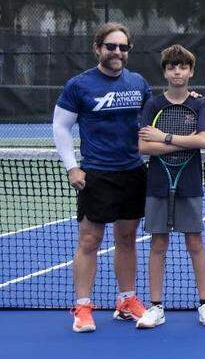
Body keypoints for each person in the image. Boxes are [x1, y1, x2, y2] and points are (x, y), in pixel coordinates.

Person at [53, 22, 151, 332]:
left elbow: (155, 115)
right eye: (111, 46)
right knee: (89, 240)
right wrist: (72, 166)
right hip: (96, 174)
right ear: (98, 48)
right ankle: (82, 308)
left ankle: (126, 301)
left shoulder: (138, 83)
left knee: (126, 239)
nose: (117, 52)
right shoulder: (79, 85)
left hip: (133, 172)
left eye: (123, 47)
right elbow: (60, 126)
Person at [134, 45, 205, 328]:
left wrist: (165, 137)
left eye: (182, 67)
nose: (177, 72)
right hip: (157, 184)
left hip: (190, 182)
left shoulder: (199, 105)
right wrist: (182, 140)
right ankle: (156, 306)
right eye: (172, 67)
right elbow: (143, 146)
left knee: (195, 242)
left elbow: (204, 141)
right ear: (165, 72)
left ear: (191, 71)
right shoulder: (153, 106)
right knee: (158, 243)